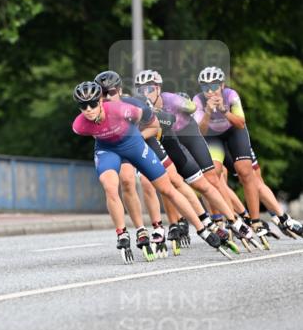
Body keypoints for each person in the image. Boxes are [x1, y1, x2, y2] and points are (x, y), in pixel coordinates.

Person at [71, 81, 230, 264]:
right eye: (83, 106)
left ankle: (202, 229)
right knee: (111, 186)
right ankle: (122, 234)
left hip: (134, 145)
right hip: (108, 151)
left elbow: (153, 123)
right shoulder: (79, 125)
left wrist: (140, 136)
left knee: (167, 189)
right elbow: (97, 131)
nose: (88, 109)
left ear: (100, 101)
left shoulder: (122, 109)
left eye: (92, 103)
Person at [133, 70, 259, 251]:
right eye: (141, 90)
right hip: (170, 141)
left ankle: (235, 220)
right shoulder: (140, 106)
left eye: (150, 89)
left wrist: (187, 107)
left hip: (189, 135)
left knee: (211, 180)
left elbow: (191, 108)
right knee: (169, 182)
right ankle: (176, 223)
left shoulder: (171, 99)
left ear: (158, 88)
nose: (146, 94)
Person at [94, 70, 162, 258]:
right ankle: (128, 231)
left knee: (139, 183)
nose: (107, 97)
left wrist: (136, 138)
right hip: (112, 148)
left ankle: (149, 227)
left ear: (120, 90)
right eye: (102, 93)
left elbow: (155, 127)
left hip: (134, 143)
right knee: (118, 184)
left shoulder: (131, 104)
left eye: (112, 92)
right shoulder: (96, 108)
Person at [193, 67, 263, 227]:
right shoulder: (198, 100)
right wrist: (208, 113)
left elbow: (240, 123)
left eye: (214, 86)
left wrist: (224, 110)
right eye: (205, 87)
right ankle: (221, 218)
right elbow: (200, 132)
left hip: (233, 131)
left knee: (245, 171)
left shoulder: (231, 95)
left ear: (222, 85)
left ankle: (255, 220)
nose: (210, 91)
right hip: (212, 136)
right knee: (213, 174)